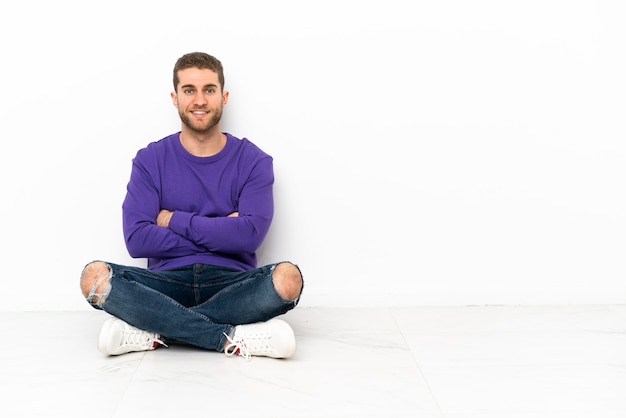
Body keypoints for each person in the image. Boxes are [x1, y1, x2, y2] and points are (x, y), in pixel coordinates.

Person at [79, 52, 303, 360]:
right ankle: (231, 337)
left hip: (231, 283)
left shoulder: (254, 161)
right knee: (94, 277)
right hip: (165, 283)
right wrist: (223, 227)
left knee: (288, 279)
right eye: (189, 90)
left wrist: (172, 219)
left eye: (209, 90)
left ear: (224, 97)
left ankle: (154, 327)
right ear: (175, 97)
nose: (200, 100)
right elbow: (136, 239)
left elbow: (250, 235)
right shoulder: (150, 160)